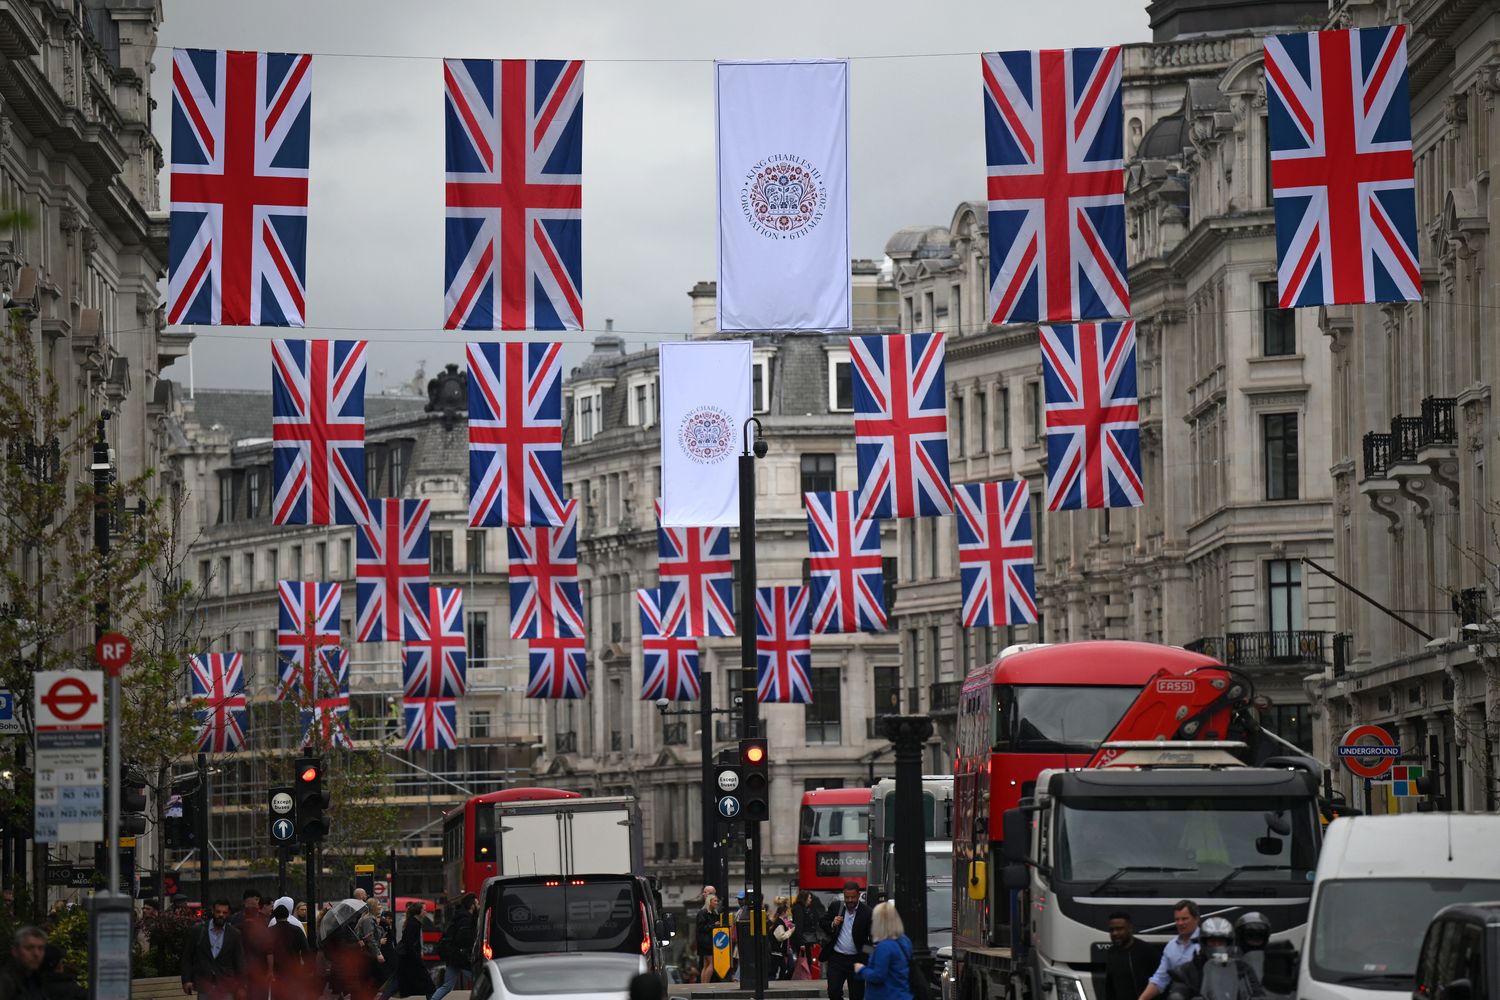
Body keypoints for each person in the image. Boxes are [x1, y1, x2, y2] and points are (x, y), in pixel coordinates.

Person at [1165, 917, 1265, 1000]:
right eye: (1212, 941)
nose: (1217, 945)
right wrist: (1178, 995)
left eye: (1221, 941)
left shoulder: (1243, 969)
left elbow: (1257, 992)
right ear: (1203, 943)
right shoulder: (1186, 970)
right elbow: (1179, 989)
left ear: (1229, 943)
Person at [181, 900, 245, 1000]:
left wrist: (241, 986)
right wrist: (186, 980)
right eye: (218, 912)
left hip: (226, 985)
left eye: (224, 913)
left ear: (228, 914)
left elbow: (239, 961)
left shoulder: (234, 934)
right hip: (205, 984)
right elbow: (187, 957)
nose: (221, 915)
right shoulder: (199, 931)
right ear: (213, 911)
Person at [1138, 900, 1200, 1000]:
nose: (1180, 923)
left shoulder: (1207, 942)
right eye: (1177, 919)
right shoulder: (1171, 946)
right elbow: (1160, 979)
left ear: (1196, 919)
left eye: (1184, 919)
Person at [820, 881, 872, 1000]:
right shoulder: (836, 906)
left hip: (857, 960)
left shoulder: (867, 912)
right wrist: (833, 923)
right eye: (847, 897)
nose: (849, 900)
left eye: (852, 897)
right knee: (833, 992)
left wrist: (869, 954)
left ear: (858, 895)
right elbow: (822, 922)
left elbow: (871, 939)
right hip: (837, 959)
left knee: (857, 995)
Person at [853, 900, 912, 1000]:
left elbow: (878, 976)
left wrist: (861, 969)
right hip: (902, 993)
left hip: (886, 995)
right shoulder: (904, 940)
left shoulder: (884, 947)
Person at [1105, 912, 1163, 1000]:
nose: (1115, 933)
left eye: (1119, 929)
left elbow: (1160, 982)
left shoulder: (1147, 951)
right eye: (1112, 930)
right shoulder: (1111, 952)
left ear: (1130, 928)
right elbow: (1110, 987)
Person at [432, 893, 477, 1000]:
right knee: (479, 981)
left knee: (447, 986)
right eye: (477, 903)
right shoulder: (466, 919)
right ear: (472, 906)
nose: (478, 906)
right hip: (460, 957)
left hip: (453, 956)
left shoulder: (459, 916)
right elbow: (464, 939)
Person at [388, 900, 435, 999]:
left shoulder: (414, 923)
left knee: (398, 983)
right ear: (418, 912)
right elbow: (408, 944)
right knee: (428, 984)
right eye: (424, 910)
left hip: (409, 960)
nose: (425, 912)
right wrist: (417, 957)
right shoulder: (413, 924)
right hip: (410, 960)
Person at [267, 902, 313, 1000]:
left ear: (275, 916)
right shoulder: (296, 930)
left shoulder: (270, 932)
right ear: (287, 915)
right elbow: (306, 950)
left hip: (277, 971)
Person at [0, 926, 49, 1000]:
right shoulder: (5, 982)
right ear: (15, 951)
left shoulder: (37, 980)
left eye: (40, 948)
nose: (36, 954)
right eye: (29, 948)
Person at [696, 894, 722, 984]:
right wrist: (714, 925)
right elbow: (702, 928)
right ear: (709, 902)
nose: (717, 903)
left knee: (706, 964)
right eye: (715, 901)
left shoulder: (713, 913)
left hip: (707, 940)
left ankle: (703, 983)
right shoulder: (703, 913)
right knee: (712, 963)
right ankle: (706, 983)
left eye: (717, 901)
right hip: (706, 941)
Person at [770, 896, 796, 981]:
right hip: (778, 950)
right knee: (781, 968)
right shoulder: (780, 923)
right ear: (784, 912)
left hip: (779, 950)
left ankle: (779, 980)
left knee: (782, 967)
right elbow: (781, 937)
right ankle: (779, 981)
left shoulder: (777, 921)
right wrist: (791, 931)